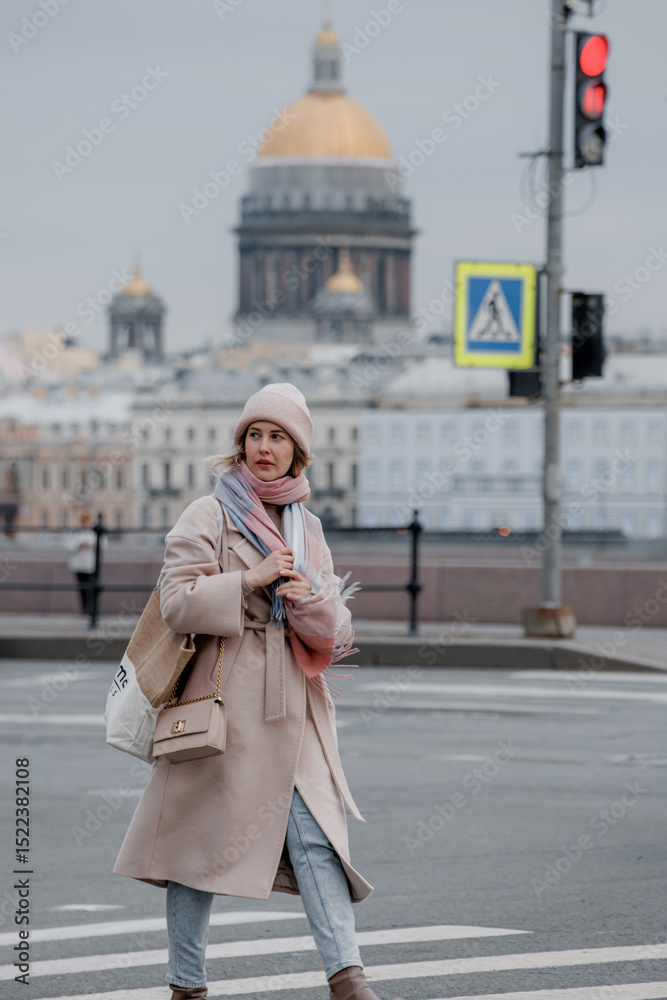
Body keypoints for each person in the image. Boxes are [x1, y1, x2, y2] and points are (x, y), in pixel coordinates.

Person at [113, 383, 404, 1000]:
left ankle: (349, 978)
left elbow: (335, 628)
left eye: (278, 437)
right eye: (254, 435)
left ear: (298, 451)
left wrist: (313, 604)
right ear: (240, 444)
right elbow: (176, 603)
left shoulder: (308, 526)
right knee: (196, 850)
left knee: (316, 838)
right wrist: (250, 578)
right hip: (220, 703)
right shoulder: (208, 513)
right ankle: (186, 985)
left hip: (292, 705)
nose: (264, 447)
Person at [67, 512, 97, 615]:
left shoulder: (94, 532)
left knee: (92, 587)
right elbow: (69, 545)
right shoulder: (76, 532)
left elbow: (102, 545)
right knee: (82, 588)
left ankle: (91, 608)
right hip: (79, 565)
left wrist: (90, 545)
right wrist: (79, 545)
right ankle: (85, 608)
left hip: (91, 565)